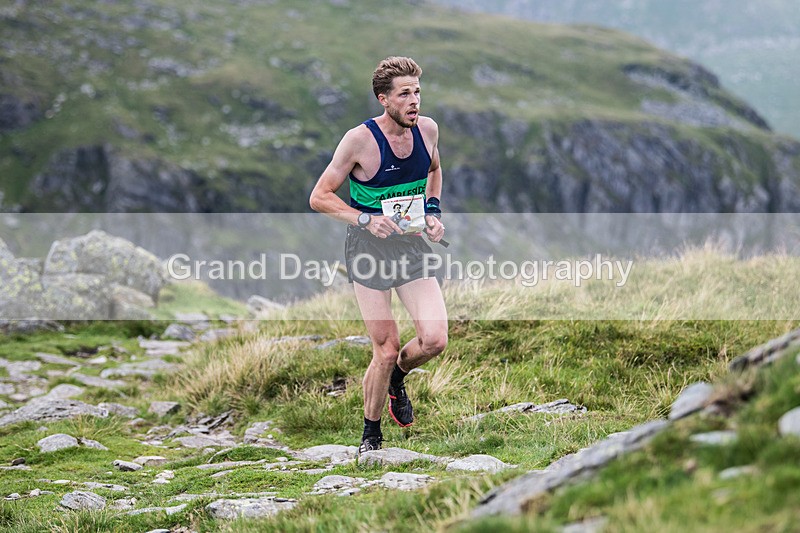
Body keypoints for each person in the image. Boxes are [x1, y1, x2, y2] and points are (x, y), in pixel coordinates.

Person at [309, 56, 448, 454]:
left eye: (417, 92)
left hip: (409, 244)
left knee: (435, 339)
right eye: (405, 94)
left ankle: (398, 377)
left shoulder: (427, 130)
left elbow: (435, 170)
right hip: (367, 249)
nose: (414, 101)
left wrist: (433, 212)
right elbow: (319, 197)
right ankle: (371, 436)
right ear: (383, 99)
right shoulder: (359, 140)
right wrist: (365, 219)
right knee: (385, 349)